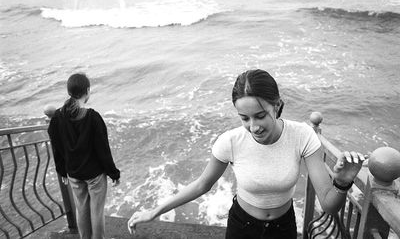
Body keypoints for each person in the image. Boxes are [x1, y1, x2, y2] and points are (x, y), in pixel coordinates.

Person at [127, 69, 366, 239]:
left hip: (283, 228)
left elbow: (329, 204)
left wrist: (342, 182)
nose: (253, 126)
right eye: (244, 118)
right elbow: (201, 184)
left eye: (260, 116)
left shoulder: (303, 135)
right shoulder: (230, 141)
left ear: (277, 105)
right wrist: (155, 211)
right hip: (242, 226)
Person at [48, 73, 120, 239]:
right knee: (97, 212)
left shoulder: (57, 117)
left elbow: (57, 147)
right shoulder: (93, 117)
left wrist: (62, 171)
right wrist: (113, 173)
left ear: (70, 92)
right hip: (94, 175)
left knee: (82, 209)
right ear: (87, 91)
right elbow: (103, 150)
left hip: (73, 174)